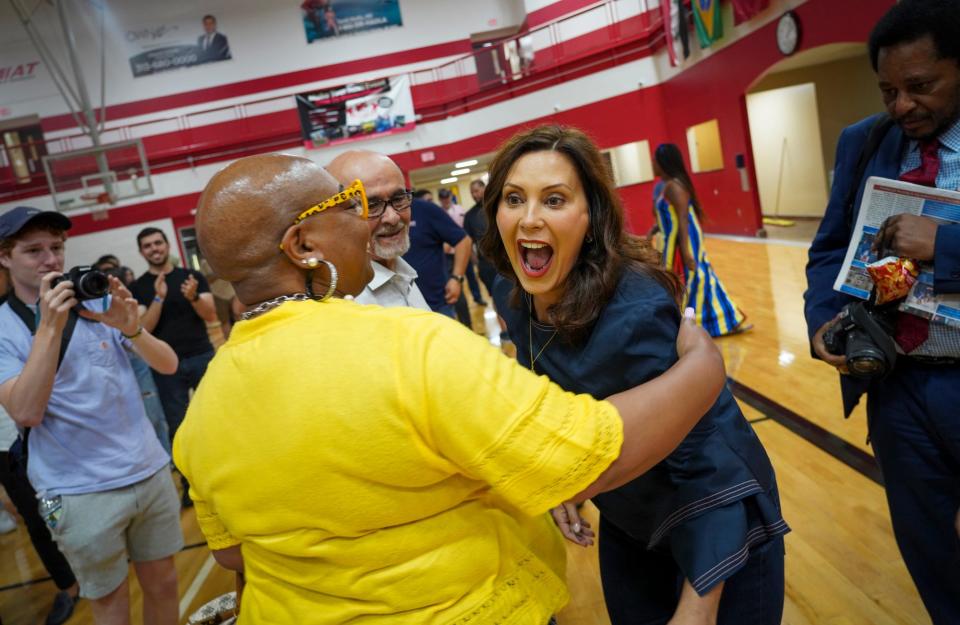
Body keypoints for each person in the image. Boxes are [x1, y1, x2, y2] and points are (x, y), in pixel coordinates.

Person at [173, 153, 728, 622]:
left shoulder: (202, 411)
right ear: (302, 245)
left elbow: (231, 558)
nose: (366, 222)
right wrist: (701, 369)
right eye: (347, 207)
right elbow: (592, 453)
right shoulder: (409, 345)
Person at [483, 126, 787, 625]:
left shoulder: (634, 311)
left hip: (716, 529)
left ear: (590, 216)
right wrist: (565, 484)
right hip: (629, 517)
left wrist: (699, 603)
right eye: (514, 199)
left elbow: (710, 463)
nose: (530, 218)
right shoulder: (512, 294)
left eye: (554, 200)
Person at [804, 2, 960, 622]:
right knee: (929, 551)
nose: (902, 106)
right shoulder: (863, 141)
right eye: (889, 90)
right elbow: (829, 250)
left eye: (921, 87)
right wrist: (823, 317)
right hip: (898, 384)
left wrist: (943, 246)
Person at [0, 206, 182, 625]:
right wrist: (49, 326)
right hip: (79, 490)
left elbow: (168, 364)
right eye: (34, 251)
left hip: (148, 469)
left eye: (57, 248)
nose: (51, 260)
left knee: (164, 584)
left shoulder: (96, 300)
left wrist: (132, 328)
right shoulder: (6, 328)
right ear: (5, 257)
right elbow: (26, 411)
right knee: (111, 604)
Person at [132, 227, 217, 505]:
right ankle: (189, 486)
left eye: (158, 242)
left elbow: (211, 314)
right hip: (166, 366)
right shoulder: (139, 288)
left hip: (201, 355)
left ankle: (226, 472)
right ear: (141, 252)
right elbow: (144, 328)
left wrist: (192, 296)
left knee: (215, 416)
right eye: (147, 245)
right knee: (177, 426)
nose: (154, 248)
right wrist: (158, 297)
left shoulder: (192, 278)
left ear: (167, 245)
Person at [653, 144, 747, 337]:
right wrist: (654, 230)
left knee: (698, 279)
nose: (653, 164)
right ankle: (722, 320)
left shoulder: (674, 186)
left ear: (663, 163)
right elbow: (669, 217)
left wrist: (686, 251)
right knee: (698, 279)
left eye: (655, 160)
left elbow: (683, 219)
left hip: (686, 240)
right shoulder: (669, 185)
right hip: (679, 239)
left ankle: (715, 322)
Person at [327, 150, 429, 309]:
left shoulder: (401, 273)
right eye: (372, 206)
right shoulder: (345, 306)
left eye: (399, 198)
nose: (393, 217)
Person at [402, 187, 473, 318]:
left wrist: (456, 278)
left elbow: (464, 240)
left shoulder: (425, 209)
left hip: (437, 304)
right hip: (398, 310)